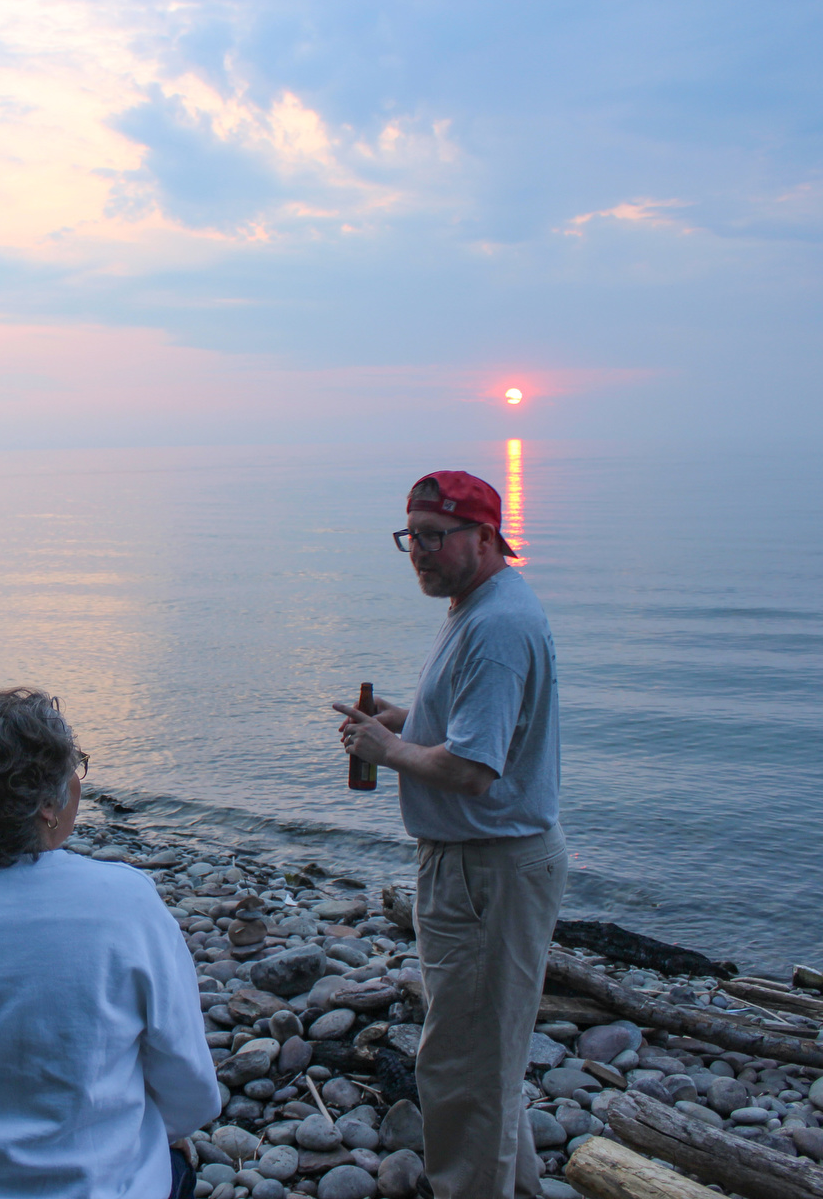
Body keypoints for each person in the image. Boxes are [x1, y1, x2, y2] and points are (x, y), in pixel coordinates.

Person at [0, 688, 217, 1199]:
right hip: (92, 1187)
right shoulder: (124, 903)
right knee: (175, 1167)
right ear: (48, 806)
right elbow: (191, 1089)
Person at [334, 469, 567, 1199]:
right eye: (412, 538)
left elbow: (473, 770)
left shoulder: (495, 626)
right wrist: (408, 723)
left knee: (461, 1063)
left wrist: (386, 752)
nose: (420, 554)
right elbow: (471, 729)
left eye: (436, 538)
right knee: (482, 1058)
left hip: (485, 870)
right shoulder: (482, 606)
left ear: (486, 536)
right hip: (482, 866)